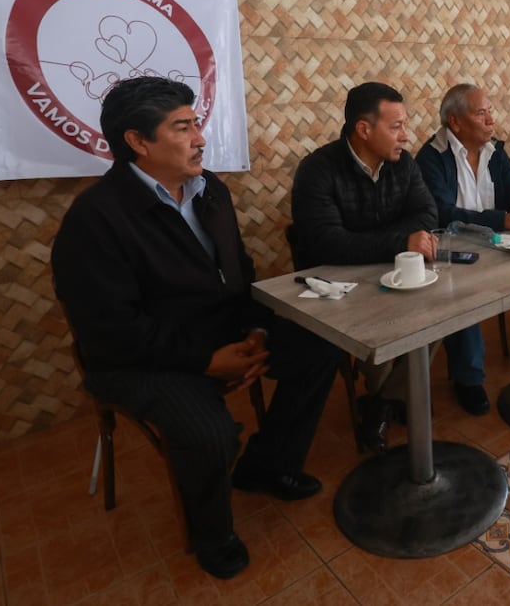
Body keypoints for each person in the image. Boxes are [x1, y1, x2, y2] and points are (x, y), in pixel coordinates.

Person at [51, 77, 339, 580]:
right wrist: (205, 361)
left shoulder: (210, 191)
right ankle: (212, 534)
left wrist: (255, 332)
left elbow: (240, 270)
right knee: (207, 434)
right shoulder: (95, 221)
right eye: (182, 127)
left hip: (222, 333)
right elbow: (110, 330)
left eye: (197, 123)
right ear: (138, 142)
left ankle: (266, 465)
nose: (200, 137)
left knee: (319, 346)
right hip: (142, 359)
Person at [291, 81, 438, 447]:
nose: (406, 136)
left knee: (441, 311)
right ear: (363, 129)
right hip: (337, 287)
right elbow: (327, 243)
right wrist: (399, 240)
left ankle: (381, 402)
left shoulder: (402, 164)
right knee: (382, 324)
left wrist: (375, 243)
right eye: (396, 126)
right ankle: (389, 401)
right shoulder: (318, 170)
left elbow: (427, 212)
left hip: (393, 270)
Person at [416, 83, 510, 415]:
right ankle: (468, 378)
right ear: (455, 122)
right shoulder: (431, 157)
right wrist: (505, 221)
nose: (491, 119)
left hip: (495, 242)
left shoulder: (495, 150)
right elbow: (439, 211)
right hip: (453, 248)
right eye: (481, 113)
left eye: (491, 110)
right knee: (463, 292)